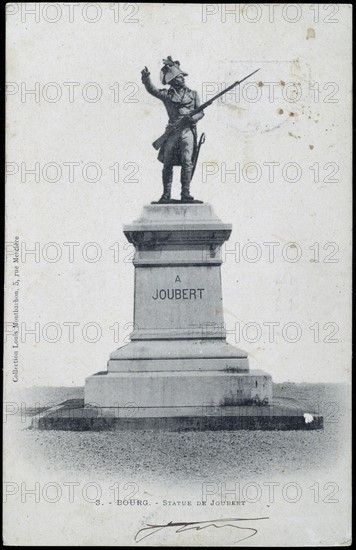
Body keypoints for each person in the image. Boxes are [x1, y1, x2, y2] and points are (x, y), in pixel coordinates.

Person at [141, 57, 204, 203]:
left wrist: (193, 119)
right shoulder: (168, 95)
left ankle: (185, 194)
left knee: (187, 162)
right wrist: (146, 78)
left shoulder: (193, 94)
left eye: (182, 77)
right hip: (172, 132)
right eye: (180, 77)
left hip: (188, 131)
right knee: (167, 162)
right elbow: (153, 90)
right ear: (174, 79)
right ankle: (166, 195)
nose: (183, 79)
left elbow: (200, 112)